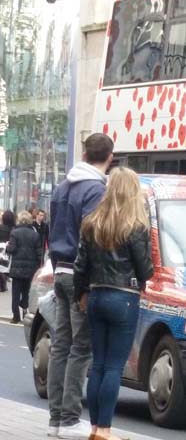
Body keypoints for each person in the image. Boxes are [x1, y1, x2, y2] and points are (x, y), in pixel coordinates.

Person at [73, 168, 154, 440]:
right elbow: (145, 270)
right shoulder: (135, 226)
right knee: (114, 366)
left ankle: (95, 427)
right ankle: (105, 430)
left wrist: (81, 294)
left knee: (98, 364)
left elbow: (80, 266)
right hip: (124, 297)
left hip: (96, 295)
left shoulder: (92, 222)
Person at [48, 133, 114, 439]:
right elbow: (91, 239)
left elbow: (52, 230)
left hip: (60, 268)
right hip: (79, 273)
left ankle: (55, 419)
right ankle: (70, 418)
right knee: (80, 347)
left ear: (84, 154)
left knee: (61, 345)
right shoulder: (96, 190)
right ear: (109, 158)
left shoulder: (63, 186)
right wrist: (88, 282)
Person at [8, 211, 43, 324]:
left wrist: (8, 247)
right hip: (30, 269)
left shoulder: (15, 233)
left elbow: (11, 249)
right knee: (26, 292)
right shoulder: (35, 234)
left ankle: (16, 316)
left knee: (15, 293)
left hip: (17, 269)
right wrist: (39, 266)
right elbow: (39, 253)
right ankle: (24, 309)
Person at [0, 209, 14, 293]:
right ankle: (3, 283)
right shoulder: (14, 229)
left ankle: (2, 284)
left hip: (0, 249)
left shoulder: (0, 227)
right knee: (5, 267)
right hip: (8, 249)